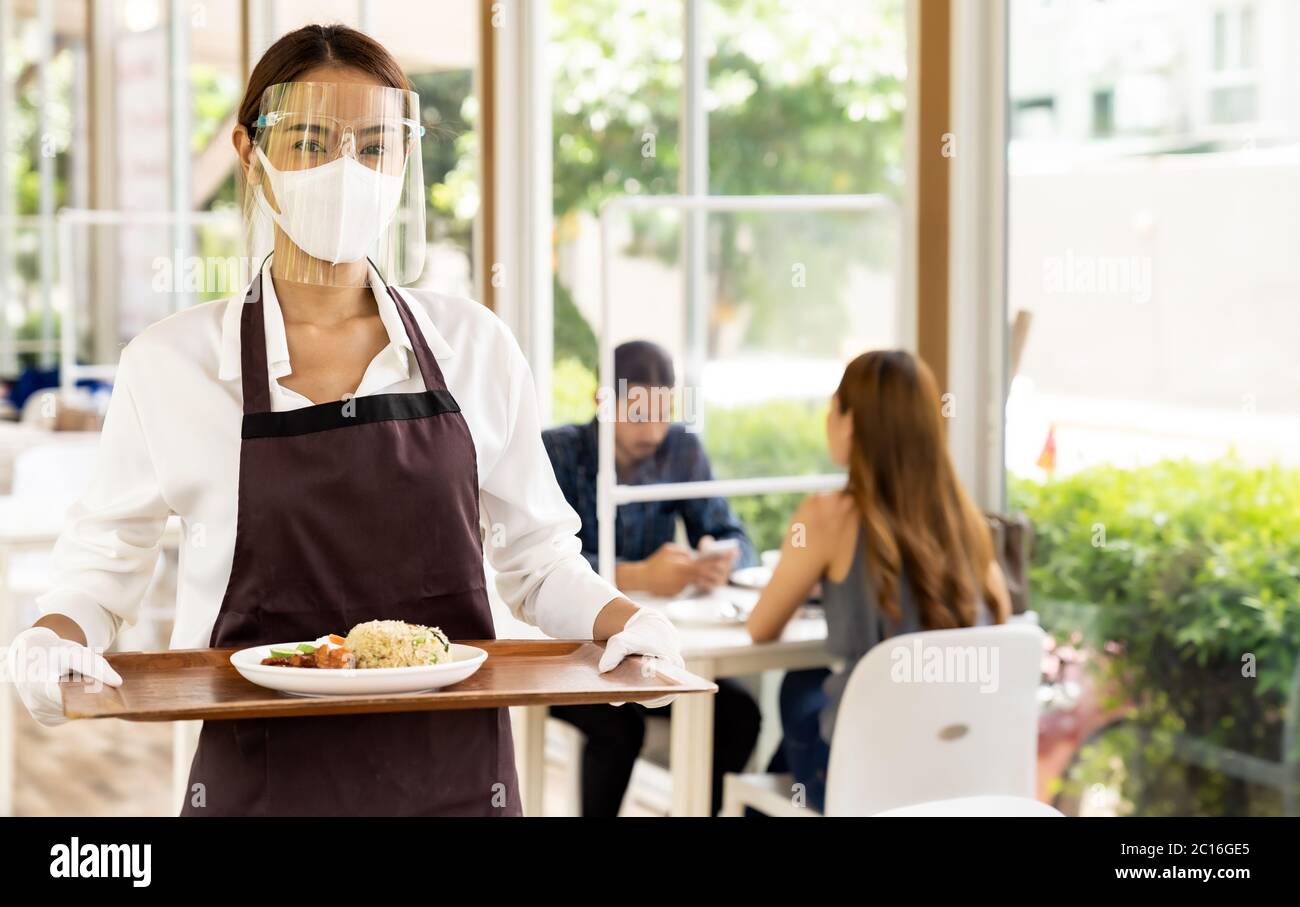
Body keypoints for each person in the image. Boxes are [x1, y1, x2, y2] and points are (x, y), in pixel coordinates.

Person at [3, 24, 682, 817]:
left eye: (374, 144)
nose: (345, 170)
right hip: (258, 783)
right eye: (312, 140)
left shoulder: (475, 346)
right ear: (251, 155)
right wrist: (52, 634)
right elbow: (104, 562)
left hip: (457, 781)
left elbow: (536, 557)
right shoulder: (172, 363)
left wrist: (626, 619)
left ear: (403, 160)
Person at [747, 350, 1012, 813]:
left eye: (833, 408)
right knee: (794, 740)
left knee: (801, 682)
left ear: (850, 422)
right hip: (959, 775)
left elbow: (761, 628)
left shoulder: (826, 516)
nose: (828, 421)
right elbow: (1002, 621)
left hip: (866, 776)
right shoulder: (965, 521)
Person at [543, 340, 761, 815]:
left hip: (653, 647)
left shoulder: (681, 449)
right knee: (620, 728)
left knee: (739, 714)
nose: (654, 431)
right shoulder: (556, 451)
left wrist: (718, 555)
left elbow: (734, 536)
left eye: (663, 414)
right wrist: (639, 574)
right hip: (570, 650)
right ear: (603, 402)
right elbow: (540, 566)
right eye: (639, 415)